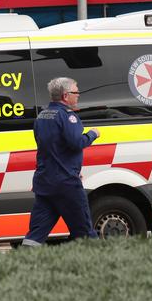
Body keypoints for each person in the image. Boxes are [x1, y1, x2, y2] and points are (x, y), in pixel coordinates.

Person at [22, 77, 100, 246]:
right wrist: (92, 134)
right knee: (84, 232)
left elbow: (50, 148)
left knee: (35, 234)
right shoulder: (68, 117)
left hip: (44, 184)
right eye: (75, 92)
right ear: (65, 96)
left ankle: (23, 263)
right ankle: (99, 268)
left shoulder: (41, 116)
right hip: (66, 185)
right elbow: (76, 143)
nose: (78, 95)